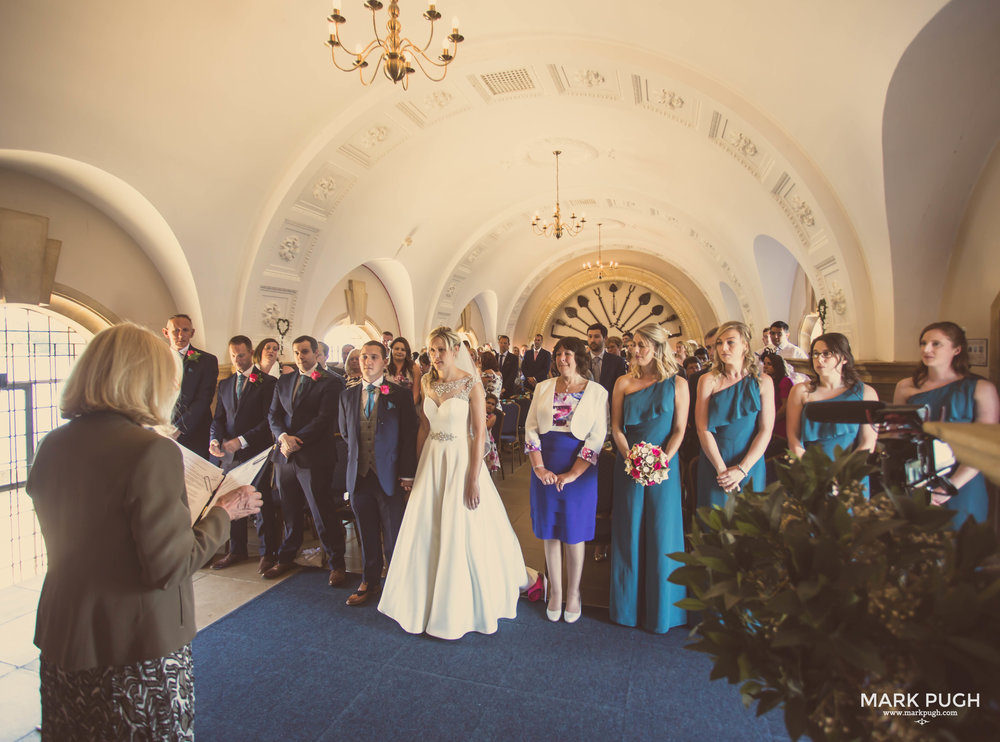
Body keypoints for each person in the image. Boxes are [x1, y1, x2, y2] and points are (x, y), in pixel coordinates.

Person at [26, 323, 261, 741]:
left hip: (65, 632)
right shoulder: (150, 451)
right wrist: (225, 512)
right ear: (147, 380)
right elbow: (168, 566)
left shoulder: (52, 443)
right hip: (133, 642)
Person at [379, 326, 532, 639]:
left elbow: (478, 433)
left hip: (460, 459)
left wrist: (474, 477)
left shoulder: (471, 383)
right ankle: (421, 599)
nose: (435, 356)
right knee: (426, 529)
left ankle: (460, 604)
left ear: (454, 350)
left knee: (459, 526)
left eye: (441, 350)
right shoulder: (426, 381)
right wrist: (418, 466)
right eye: (431, 350)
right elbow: (423, 426)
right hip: (432, 460)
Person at [610, 324, 688, 633]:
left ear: (657, 348)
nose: (636, 350)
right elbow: (616, 426)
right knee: (629, 528)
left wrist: (663, 459)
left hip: (665, 466)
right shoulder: (622, 383)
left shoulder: (677, 383)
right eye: (634, 345)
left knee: (661, 531)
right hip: (629, 463)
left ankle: (663, 611)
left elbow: (680, 428)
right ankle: (627, 609)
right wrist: (630, 456)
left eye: (643, 345)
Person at [524, 337, 608, 623]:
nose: (562, 359)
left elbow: (597, 436)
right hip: (545, 465)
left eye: (568, 353)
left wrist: (573, 473)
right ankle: (556, 592)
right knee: (549, 532)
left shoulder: (597, 392)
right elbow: (531, 429)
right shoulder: (542, 388)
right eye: (558, 354)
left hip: (579, 468)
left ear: (579, 357)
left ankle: (573, 593)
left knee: (573, 533)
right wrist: (539, 468)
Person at [893, 321, 1000, 524]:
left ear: (957, 349)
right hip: (916, 478)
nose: (927, 349)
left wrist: (949, 487)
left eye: (936, 344)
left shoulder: (981, 388)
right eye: (923, 343)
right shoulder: (905, 387)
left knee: (961, 547)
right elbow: (898, 439)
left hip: (963, 480)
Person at [339, 341, 418, 606]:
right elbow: (347, 434)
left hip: (390, 475)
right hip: (360, 475)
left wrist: (407, 473)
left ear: (384, 362)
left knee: (393, 534)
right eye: (363, 357)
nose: (367, 361)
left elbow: (409, 437)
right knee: (366, 532)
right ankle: (369, 581)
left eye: (373, 357)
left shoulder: (399, 394)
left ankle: (398, 584)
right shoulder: (347, 395)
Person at [266, 335, 347, 585]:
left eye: (305, 352)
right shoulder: (285, 380)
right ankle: (287, 556)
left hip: (314, 456)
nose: (300, 357)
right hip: (285, 456)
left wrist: (295, 440)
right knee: (290, 510)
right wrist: (282, 438)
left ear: (316, 353)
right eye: (296, 352)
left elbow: (324, 419)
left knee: (321, 510)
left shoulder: (330, 382)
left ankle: (337, 563)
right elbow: (273, 414)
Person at [209, 335, 280, 572]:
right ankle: (236, 549)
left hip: (256, 451)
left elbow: (268, 420)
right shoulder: (226, 384)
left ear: (250, 353)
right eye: (233, 356)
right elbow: (218, 418)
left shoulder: (267, 383)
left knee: (260, 501)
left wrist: (242, 440)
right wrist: (215, 439)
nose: (237, 360)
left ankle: (267, 552)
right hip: (229, 455)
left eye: (241, 355)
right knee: (232, 501)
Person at [695, 321, 775, 508]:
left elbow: (766, 430)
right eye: (719, 343)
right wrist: (722, 470)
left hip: (750, 462)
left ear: (745, 346)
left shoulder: (763, 382)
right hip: (715, 462)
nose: (723, 348)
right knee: (715, 525)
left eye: (730, 342)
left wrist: (742, 469)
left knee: (749, 523)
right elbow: (702, 428)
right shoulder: (707, 380)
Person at [786, 333, 878, 462]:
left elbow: (868, 442)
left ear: (844, 358)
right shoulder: (800, 391)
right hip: (811, 468)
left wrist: (844, 473)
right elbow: (793, 438)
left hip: (851, 469)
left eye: (826, 354)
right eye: (816, 353)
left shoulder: (866, 393)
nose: (819, 359)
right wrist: (811, 470)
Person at [163, 313, 219, 459]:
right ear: (165, 332)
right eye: (176, 330)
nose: (181, 335)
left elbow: (204, 399)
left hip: (195, 432)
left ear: (192, 333)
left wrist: (179, 429)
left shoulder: (207, 361)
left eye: (185, 330)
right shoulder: (156, 359)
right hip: (163, 430)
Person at [761, 351, 794, 448]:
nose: (765, 366)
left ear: (777, 366)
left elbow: (785, 407)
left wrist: (771, 420)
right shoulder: (767, 380)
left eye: (769, 364)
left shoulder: (784, 381)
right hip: (768, 423)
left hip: (779, 425)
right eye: (764, 364)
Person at [587, 323, 628, 396]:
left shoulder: (617, 362)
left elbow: (620, 390)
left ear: (605, 339)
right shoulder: (579, 360)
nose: (592, 340)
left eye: (596, 336)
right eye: (590, 336)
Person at [387, 336, 422, 405]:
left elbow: (416, 394)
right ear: (391, 350)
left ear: (407, 352)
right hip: (388, 408)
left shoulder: (414, 368)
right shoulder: (384, 368)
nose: (399, 351)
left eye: (403, 350)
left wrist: (408, 409)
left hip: (408, 406)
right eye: (397, 349)